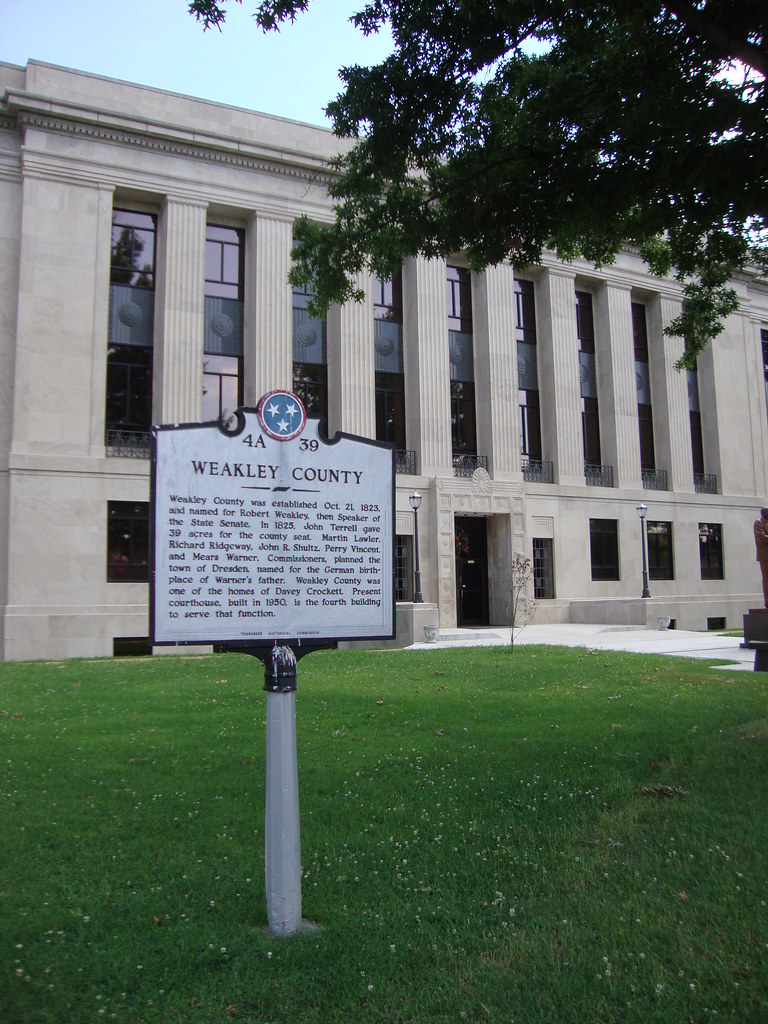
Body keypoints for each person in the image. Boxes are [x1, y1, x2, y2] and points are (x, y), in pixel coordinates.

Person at [754, 509, 768, 607]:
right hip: (765, 555)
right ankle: (767, 601)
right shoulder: (758, 523)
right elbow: (761, 537)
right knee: (767, 578)